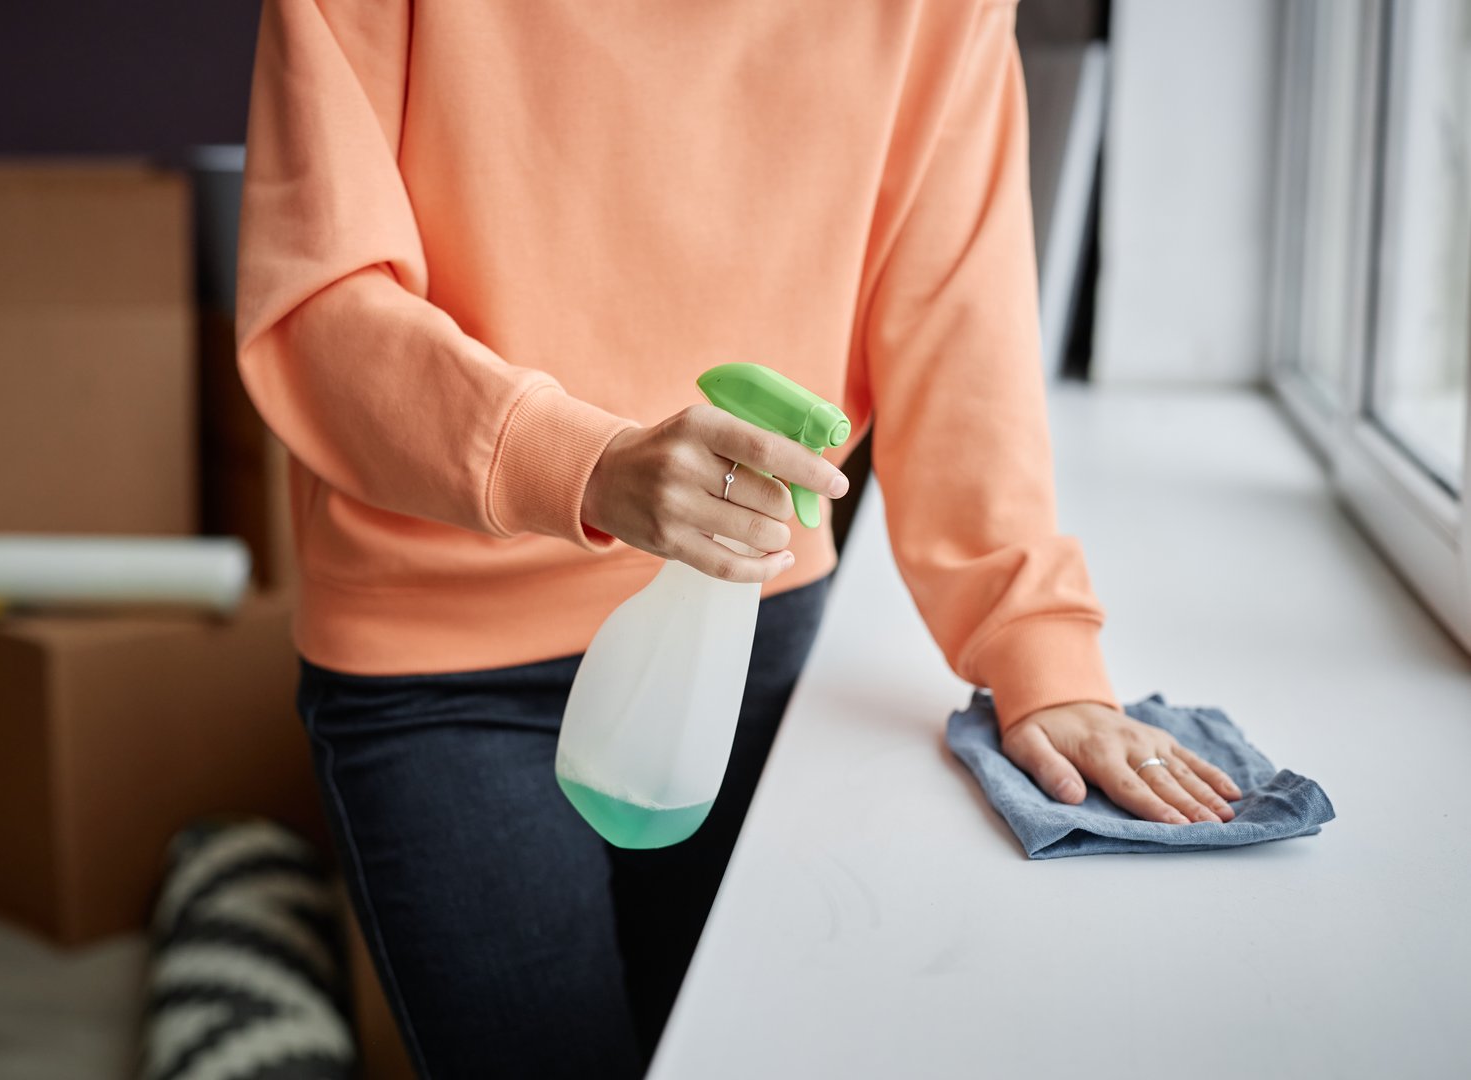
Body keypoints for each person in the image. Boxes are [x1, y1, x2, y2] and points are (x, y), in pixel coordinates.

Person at [235, 1, 1243, 1076]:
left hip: (745, 631)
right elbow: (316, 303)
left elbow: (963, 338)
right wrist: (584, 463)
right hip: (439, 662)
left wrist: (1041, 650)